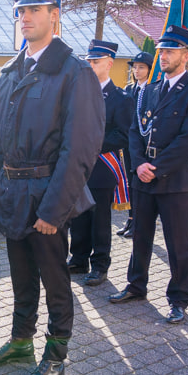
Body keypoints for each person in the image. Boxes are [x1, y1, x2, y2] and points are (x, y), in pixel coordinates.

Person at [0, 0, 103, 375]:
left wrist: (54, 210)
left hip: (48, 195)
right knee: (20, 275)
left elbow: (80, 150)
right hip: (13, 194)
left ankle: (56, 353)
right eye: (21, 10)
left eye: (34, 9)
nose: (25, 17)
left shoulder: (74, 72)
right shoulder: (14, 70)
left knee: (55, 279)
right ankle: (20, 341)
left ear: (55, 15)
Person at [108, 25, 188, 324]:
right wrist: (139, 164)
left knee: (179, 244)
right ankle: (136, 285)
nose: (162, 56)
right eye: (161, 51)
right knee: (140, 236)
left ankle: (178, 298)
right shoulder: (149, 91)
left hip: (175, 180)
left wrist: (156, 168)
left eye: (169, 51)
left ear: (186, 56)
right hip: (143, 177)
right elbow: (134, 132)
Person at [68, 39, 134, 286]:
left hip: (103, 166)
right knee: (78, 216)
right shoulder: (78, 93)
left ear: (109, 63)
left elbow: (123, 134)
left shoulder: (120, 98)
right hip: (78, 167)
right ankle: (78, 258)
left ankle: (100, 264)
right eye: (89, 61)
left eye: (95, 61)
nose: (91, 65)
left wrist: (90, 144)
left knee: (99, 220)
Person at [119, 52, 153, 238]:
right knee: (130, 183)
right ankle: (131, 218)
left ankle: (139, 222)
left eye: (141, 67)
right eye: (135, 67)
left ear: (150, 69)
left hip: (144, 145)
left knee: (140, 184)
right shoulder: (129, 89)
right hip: (128, 143)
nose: (137, 70)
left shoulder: (153, 90)